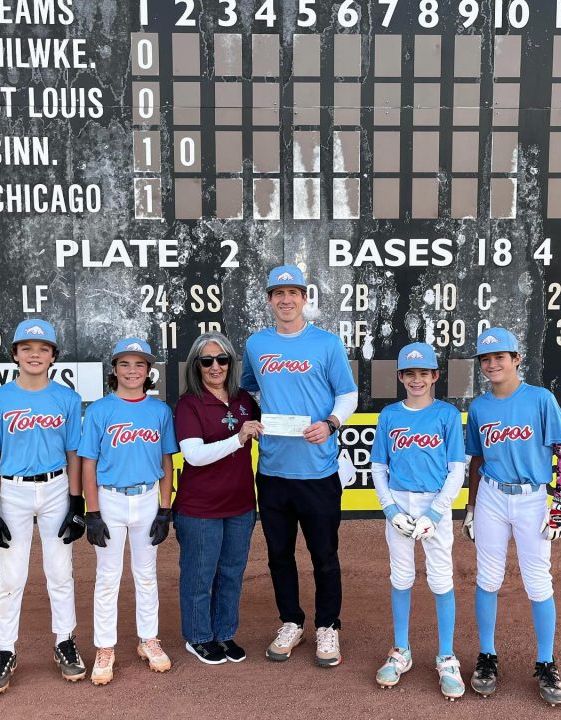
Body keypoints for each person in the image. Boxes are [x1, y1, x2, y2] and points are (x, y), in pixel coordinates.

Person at [241, 265, 358, 667]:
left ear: (305, 298)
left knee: (324, 554)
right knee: (278, 555)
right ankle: (291, 621)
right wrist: (261, 418)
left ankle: (328, 626)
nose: (286, 300)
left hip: (318, 471)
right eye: (278, 293)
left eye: (293, 293)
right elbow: (249, 388)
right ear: (270, 299)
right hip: (273, 470)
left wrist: (329, 424)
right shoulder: (256, 344)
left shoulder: (326, 344)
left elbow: (348, 394)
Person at [462, 327, 561, 706]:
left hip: (532, 499)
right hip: (493, 496)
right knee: (488, 579)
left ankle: (545, 661)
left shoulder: (540, 399)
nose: (492, 364)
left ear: (516, 360)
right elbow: (477, 460)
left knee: (538, 582)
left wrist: (559, 503)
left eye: (500, 357)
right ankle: (487, 657)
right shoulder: (479, 407)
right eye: (486, 359)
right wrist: (472, 507)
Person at [0, 318, 86, 696]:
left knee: (60, 571)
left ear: (54, 355)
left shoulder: (68, 400)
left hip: (57, 486)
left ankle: (65, 641)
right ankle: (5, 650)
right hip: (13, 492)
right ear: (14, 354)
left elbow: (74, 453)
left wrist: (77, 500)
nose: (35, 354)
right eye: (27, 348)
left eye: (42, 349)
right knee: (11, 577)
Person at [79, 338, 178, 685]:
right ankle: (105, 647)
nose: (132, 371)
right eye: (125, 364)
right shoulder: (100, 410)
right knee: (108, 577)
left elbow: (166, 461)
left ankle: (148, 639)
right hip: (110, 499)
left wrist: (165, 509)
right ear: (114, 370)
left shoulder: (160, 411)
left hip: (148, 497)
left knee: (146, 573)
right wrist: (92, 511)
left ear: (148, 372)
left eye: (140, 365)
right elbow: (87, 463)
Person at [370, 343, 466, 699]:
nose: (417, 380)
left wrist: (437, 513)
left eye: (423, 373)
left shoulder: (447, 415)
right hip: (399, 499)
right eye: (410, 374)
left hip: (434, 503)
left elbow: (457, 470)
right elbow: (379, 467)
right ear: (400, 377)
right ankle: (401, 650)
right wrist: (390, 510)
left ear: (435, 376)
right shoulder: (390, 415)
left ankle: (446, 656)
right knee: (401, 575)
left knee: (441, 578)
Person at [173, 332, 263, 665]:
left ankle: (224, 633)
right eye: (207, 360)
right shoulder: (189, 403)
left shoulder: (243, 399)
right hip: (200, 508)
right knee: (199, 575)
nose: (215, 367)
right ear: (196, 365)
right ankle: (198, 637)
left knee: (231, 572)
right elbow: (193, 456)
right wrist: (238, 438)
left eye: (222, 359)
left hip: (240, 505)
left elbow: (277, 425)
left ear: (231, 363)